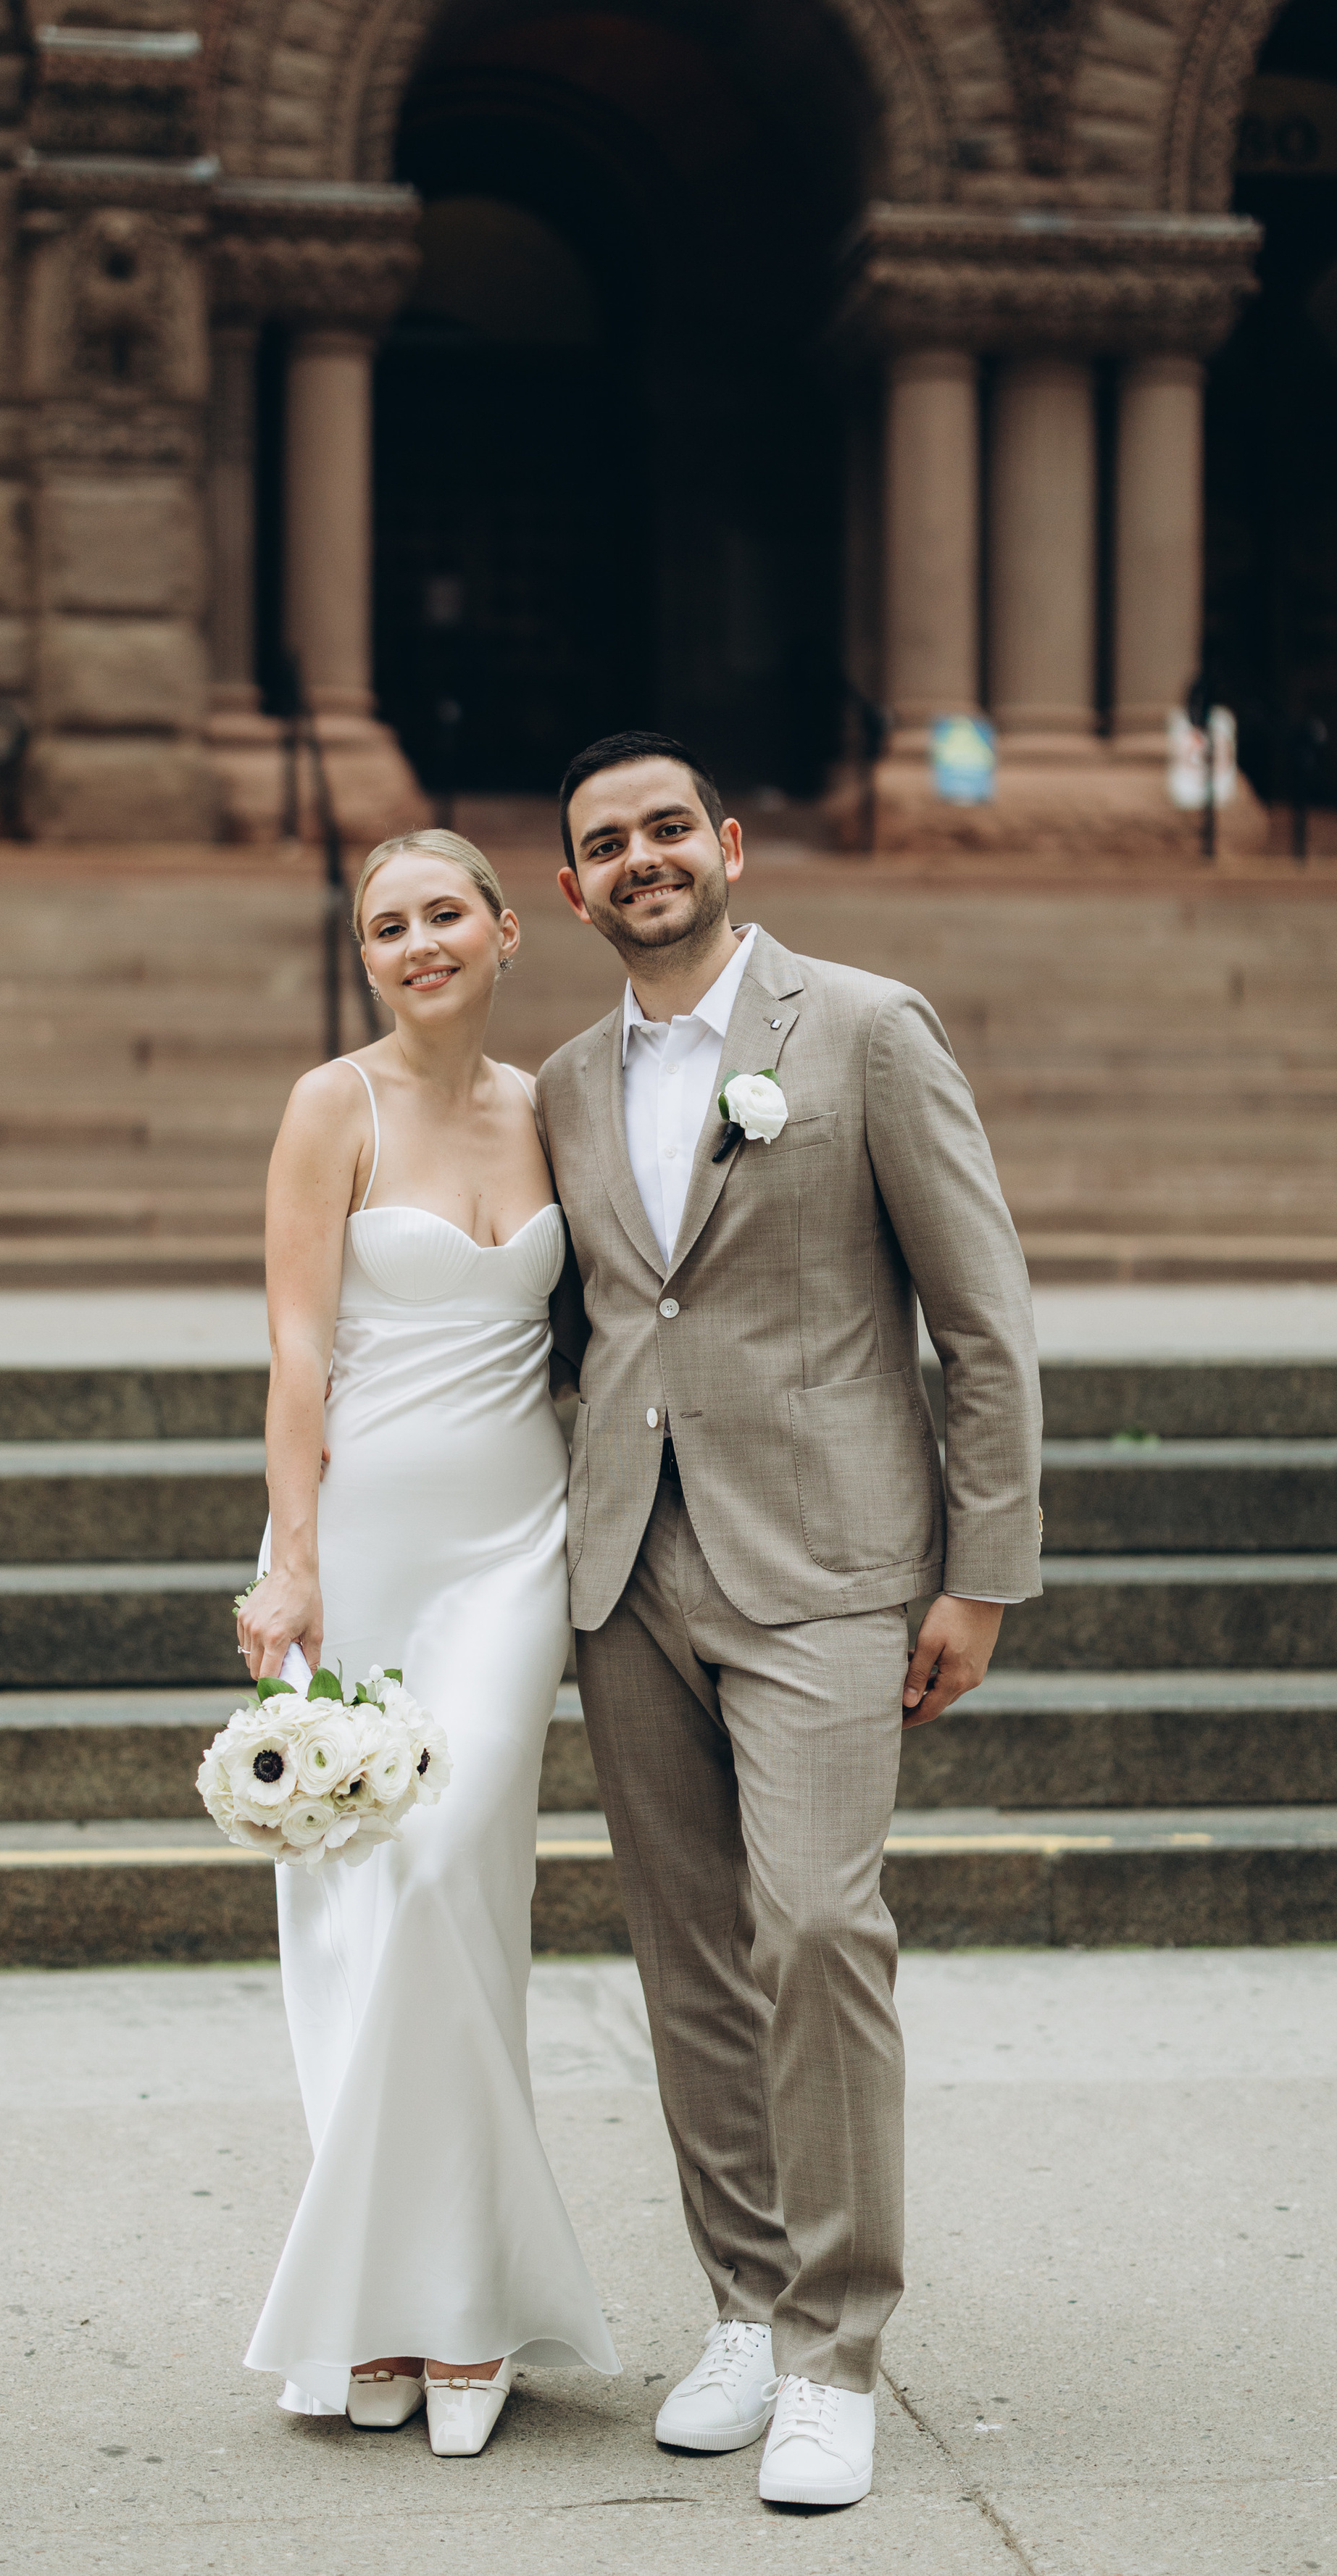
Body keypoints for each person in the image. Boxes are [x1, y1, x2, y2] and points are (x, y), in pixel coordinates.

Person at [538, 732, 1042, 2509]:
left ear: (730, 846)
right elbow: (586, 1331)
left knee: (818, 1934)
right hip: (629, 1574)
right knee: (686, 1961)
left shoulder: (863, 1027)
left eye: (667, 827)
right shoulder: (561, 1083)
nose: (640, 858)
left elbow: (978, 1320)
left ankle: (835, 2346)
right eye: (606, 843)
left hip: (830, 1567)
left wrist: (979, 1573)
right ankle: (743, 2305)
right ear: (571, 887)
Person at [236, 828, 617, 2457]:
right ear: (365, 953)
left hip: (511, 1549)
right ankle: (388, 2314)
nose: (414, 942)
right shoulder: (334, 1105)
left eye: (440, 913)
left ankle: (460, 2305)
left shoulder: (555, 1108)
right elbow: (297, 1346)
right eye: (384, 924)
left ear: (504, 927)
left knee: (463, 1873)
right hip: (363, 1550)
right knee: (372, 1914)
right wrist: (294, 1565)